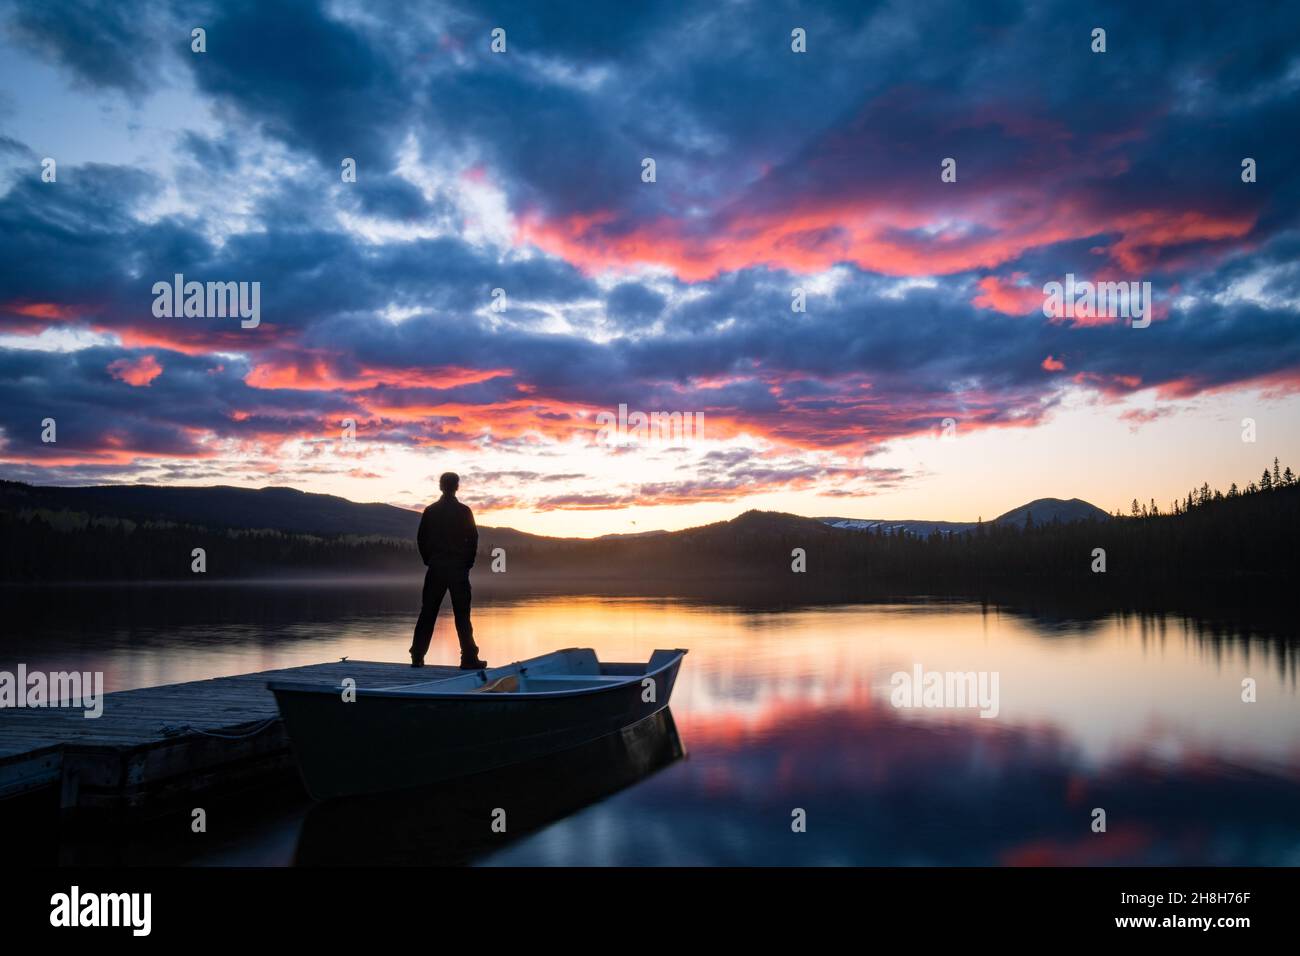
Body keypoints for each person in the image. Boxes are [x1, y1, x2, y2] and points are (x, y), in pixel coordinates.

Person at [409, 472, 486, 669]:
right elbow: (473, 539)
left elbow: (421, 539)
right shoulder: (464, 511)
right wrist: (467, 563)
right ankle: (468, 658)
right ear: (457, 487)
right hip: (458, 569)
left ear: (440, 486)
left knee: (428, 612)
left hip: (436, 567)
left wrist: (429, 560)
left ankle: (417, 656)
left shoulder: (431, 511)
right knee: (462, 615)